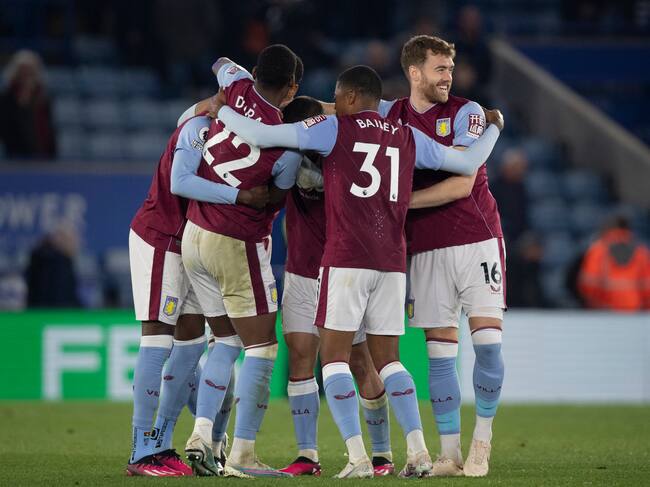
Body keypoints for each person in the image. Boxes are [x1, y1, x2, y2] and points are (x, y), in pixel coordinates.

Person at [215, 64, 503, 478]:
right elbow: (469, 160)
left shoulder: (335, 131)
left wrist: (221, 108)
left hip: (345, 259)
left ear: (348, 99)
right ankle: (419, 452)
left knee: (333, 360)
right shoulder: (406, 134)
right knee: (389, 361)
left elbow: (260, 136)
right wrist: (494, 126)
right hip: (390, 262)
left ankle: (359, 459)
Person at [378, 35, 506, 477]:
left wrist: (398, 202)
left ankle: (482, 441)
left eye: (450, 68)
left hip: (477, 237)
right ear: (414, 73)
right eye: (439, 69)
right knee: (439, 355)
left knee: (488, 344)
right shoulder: (389, 115)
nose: (448, 77)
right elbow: (342, 112)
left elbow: (462, 180)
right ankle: (449, 453)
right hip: (426, 247)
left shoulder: (467, 113)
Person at [126, 90, 268, 476]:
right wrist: (240, 196)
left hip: (191, 243)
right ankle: (142, 451)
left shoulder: (229, 134)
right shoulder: (199, 129)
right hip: (161, 237)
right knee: (157, 337)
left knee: (190, 344)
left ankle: (163, 441)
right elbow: (179, 182)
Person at [181, 44, 303, 478]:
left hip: (194, 235)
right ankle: (243, 453)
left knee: (227, 341)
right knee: (262, 346)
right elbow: (278, 193)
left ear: (254, 72)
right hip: (235, 240)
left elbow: (217, 61)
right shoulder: (284, 143)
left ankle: (203, 437)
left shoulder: (235, 85)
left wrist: (221, 99)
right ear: (291, 89)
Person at [276, 96, 394, 477]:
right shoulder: (292, 153)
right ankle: (307, 455)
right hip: (300, 271)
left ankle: (382, 454)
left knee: (359, 361)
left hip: (344, 271)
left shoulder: (345, 152)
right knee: (299, 357)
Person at [578, 216, 650, 311]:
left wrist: (593, 306)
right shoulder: (641, 252)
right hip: (634, 310)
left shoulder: (598, 251)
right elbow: (647, 287)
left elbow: (588, 286)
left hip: (605, 310)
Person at [0, 50, 56, 159]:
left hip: (43, 155)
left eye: (30, 70)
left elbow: (49, 129)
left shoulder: (43, 97)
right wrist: (22, 104)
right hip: (15, 156)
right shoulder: (7, 97)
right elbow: (6, 128)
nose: (26, 75)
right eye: (23, 70)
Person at [26, 222, 80, 307]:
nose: (75, 243)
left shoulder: (42, 257)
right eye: (71, 239)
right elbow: (60, 297)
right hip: (52, 315)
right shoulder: (57, 263)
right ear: (60, 239)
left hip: (39, 313)